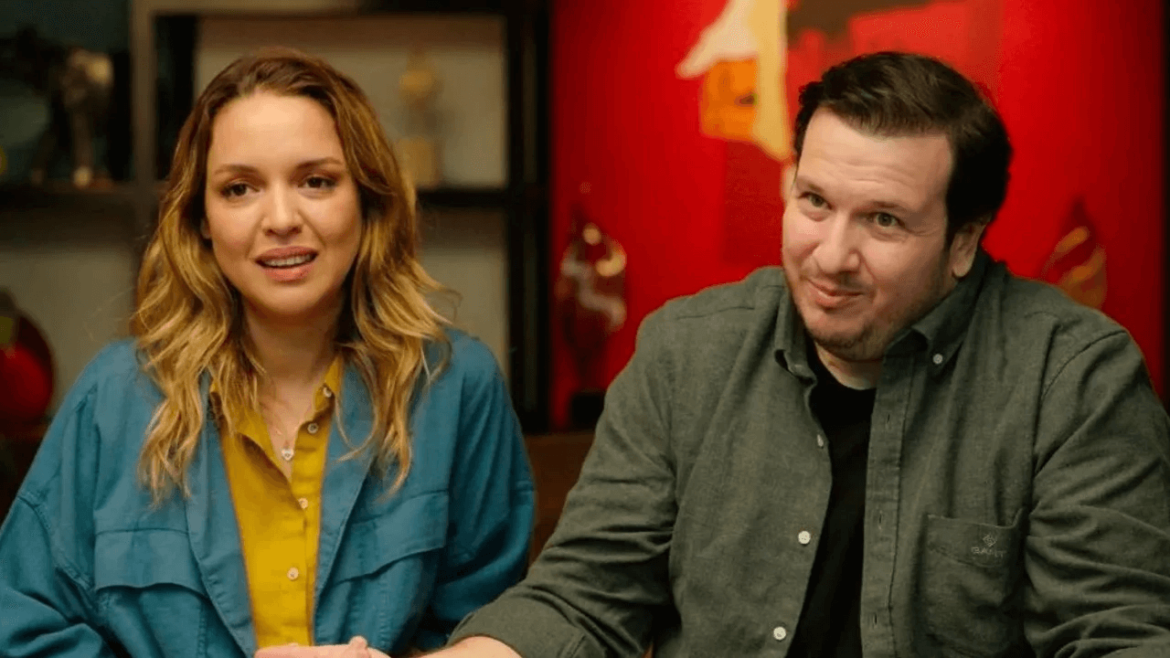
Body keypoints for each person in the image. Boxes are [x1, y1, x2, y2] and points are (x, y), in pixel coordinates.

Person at [427, 52, 1170, 657]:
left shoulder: (1071, 380)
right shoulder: (688, 351)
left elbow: (1116, 633)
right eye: (814, 202)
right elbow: (583, 599)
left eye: (883, 220)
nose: (831, 256)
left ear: (963, 242)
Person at [0, 48, 534, 658]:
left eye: (316, 181)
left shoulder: (455, 387)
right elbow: (20, 630)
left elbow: (496, 631)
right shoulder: (115, 397)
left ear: (367, 198)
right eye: (240, 189)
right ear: (201, 218)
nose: (281, 219)